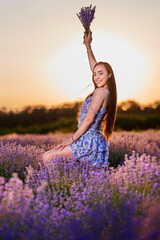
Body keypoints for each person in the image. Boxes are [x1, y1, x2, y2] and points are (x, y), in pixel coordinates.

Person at [42, 29, 117, 168]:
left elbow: (88, 120)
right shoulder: (107, 92)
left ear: (109, 75)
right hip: (90, 140)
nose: (96, 77)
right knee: (87, 177)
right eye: (95, 74)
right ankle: (60, 185)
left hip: (88, 141)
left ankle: (51, 187)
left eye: (101, 73)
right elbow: (95, 67)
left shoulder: (100, 92)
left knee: (48, 157)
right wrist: (88, 46)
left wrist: (70, 140)